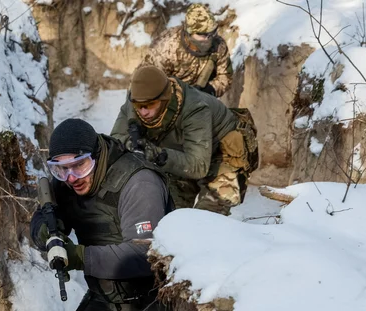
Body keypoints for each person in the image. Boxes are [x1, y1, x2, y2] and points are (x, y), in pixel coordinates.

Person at [30, 118, 183, 311]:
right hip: (109, 298)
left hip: (155, 300)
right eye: (60, 169)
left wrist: (78, 256)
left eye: (80, 165)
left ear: (97, 156)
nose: (72, 177)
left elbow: (146, 256)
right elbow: (41, 217)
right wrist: (49, 235)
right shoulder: (67, 179)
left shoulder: (138, 182)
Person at [110, 65, 259, 215]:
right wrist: (133, 146)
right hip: (181, 154)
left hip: (223, 155)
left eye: (149, 105)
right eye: (138, 106)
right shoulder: (135, 101)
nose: (143, 111)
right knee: (167, 213)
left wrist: (158, 155)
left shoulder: (195, 109)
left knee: (207, 217)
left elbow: (198, 166)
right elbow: (114, 144)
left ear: (164, 99)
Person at [138, 3, 233, 97]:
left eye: (212, 32)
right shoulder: (166, 47)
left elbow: (225, 76)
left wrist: (210, 90)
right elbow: (145, 81)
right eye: (203, 34)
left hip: (200, 98)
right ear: (189, 33)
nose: (208, 38)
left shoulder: (219, 45)